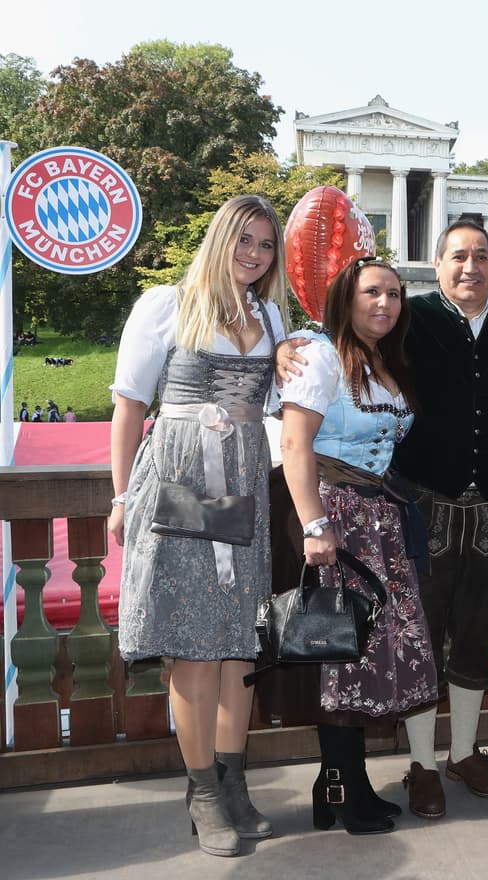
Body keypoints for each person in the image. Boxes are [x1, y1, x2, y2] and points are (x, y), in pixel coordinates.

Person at [278, 218, 488, 819]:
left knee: (473, 634)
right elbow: (326, 344)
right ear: (438, 265)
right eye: (457, 256)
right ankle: (420, 765)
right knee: (409, 637)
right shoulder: (407, 319)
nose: (470, 267)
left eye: (481, 256)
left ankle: (464, 752)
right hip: (416, 506)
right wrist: (285, 347)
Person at [109, 194, 289, 857]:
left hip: (242, 476)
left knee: (240, 640)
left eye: (267, 245)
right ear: (220, 239)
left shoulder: (270, 315)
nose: (255, 254)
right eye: (245, 239)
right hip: (182, 474)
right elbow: (129, 407)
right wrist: (122, 496)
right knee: (193, 641)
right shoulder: (165, 304)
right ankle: (202, 790)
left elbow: (280, 401)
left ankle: (234, 782)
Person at [278, 257, 438, 834]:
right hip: (337, 518)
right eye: (372, 292)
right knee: (337, 656)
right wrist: (316, 529)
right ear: (345, 298)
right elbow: (295, 444)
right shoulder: (319, 354)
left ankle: (337, 785)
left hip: (379, 520)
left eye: (395, 295)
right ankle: (346, 790)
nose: (385, 304)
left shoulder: (382, 360)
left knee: (357, 654)